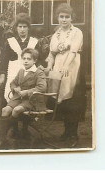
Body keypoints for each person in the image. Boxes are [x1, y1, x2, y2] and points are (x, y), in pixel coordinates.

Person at [45, 3, 86, 147]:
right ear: (57, 18)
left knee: (72, 101)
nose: (64, 20)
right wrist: (49, 67)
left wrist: (65, 67)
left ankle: (73, 133)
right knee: (60, 99)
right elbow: (51, 53)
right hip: (58, 67)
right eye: (61, 17)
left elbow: (73, 52)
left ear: (71, 18)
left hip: (72, 67)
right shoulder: (56, 34)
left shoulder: (77, 32)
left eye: (66, 17)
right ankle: (66, 132)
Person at [0, 13, 44, 138]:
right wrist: (2, 76)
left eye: (25, 27)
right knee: (13, 100)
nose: (22, 29)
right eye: (20, 27)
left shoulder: (35, 42)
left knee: (26, 102)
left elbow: (39, 61)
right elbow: (4, 61)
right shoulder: (10, 42)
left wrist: (39, 70)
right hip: (14, 74)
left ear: (28, 28)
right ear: (16, 28)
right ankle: (14, 129)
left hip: (31, 76)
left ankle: (24, 129)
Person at [0, 48, 46, 149]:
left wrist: (27, 92)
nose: (26, 61)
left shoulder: (38, 72)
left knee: (16, 110)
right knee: (5, 110)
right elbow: (13, 83)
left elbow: (42, 87)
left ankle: (14, 133)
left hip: (32, 100)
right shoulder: (21, 71)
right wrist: (15, 88)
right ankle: (3, 140)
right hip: (19, 98)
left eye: (29, 59)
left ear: (35, 60)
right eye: (24, 58)